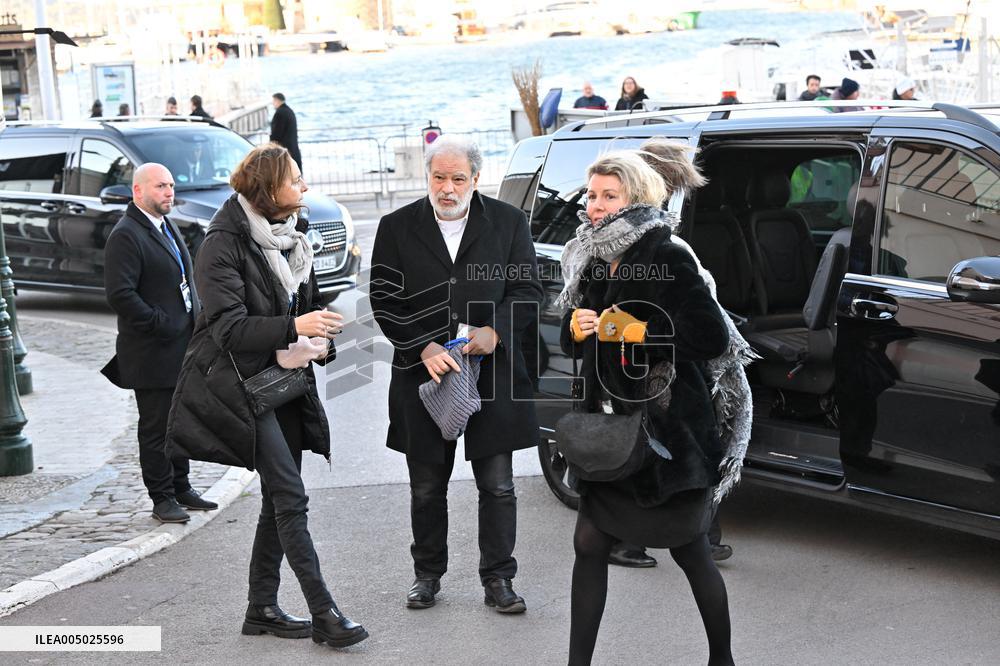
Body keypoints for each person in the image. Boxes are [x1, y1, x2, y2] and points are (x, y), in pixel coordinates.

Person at [165, 143, 368, 648]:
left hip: (283, 380)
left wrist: (320, 341)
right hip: (237, 385)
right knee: (291, 496)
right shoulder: (222, 244)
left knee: (279, 498)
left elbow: (311, 303)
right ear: (267, 189)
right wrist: (294, 326)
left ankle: (261, 607)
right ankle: (325, 613)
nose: (303, 186)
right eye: (294, 179)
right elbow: (228, 329)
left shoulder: (292, 237)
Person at [558, 150, 735, 665]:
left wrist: (637, 332)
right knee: (589, 544)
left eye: (608, 196)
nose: (595, 206)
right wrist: (576, 329)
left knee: (691, 551)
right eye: (591, 195)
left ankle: (721, 659)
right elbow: (580, 338)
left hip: (669, 436)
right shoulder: (593, 257)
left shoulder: (667, 252)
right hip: (611, 435)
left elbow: (710, 335)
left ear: (635, 199)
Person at [369, 135, 543, 614]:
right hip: (422, 371)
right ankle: (427, 575)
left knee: (498, 483)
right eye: (439, 178)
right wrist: (421, 346)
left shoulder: (508, 222)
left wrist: (497, 331)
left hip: (492, 371)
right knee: (426, 485)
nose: (447, 188)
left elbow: (528, 288)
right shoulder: (396, 226)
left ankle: (498, 580)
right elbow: (384, 300)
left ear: (475, 180)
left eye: (458, 179)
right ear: (428, 177)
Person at [101, 163, 217, 525]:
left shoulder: (164, 225)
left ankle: (181, 486)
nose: (168, 192)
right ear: (138, 192)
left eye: (170, 185)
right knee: (156, 428)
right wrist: (161, 323)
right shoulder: (127, 234)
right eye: (160, 187)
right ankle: (161, 496)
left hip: (181, 346)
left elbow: (184, 277)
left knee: (179, 421)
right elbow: (120, 294)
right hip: (152, 351)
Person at [270, 93, 302, 172]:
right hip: (293, 149)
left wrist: (271, 146)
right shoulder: (289, 111)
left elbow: (276, 133)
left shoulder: (280, 113)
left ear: (277, 100)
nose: (272, 103)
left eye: (273, 101)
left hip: (285, 151)